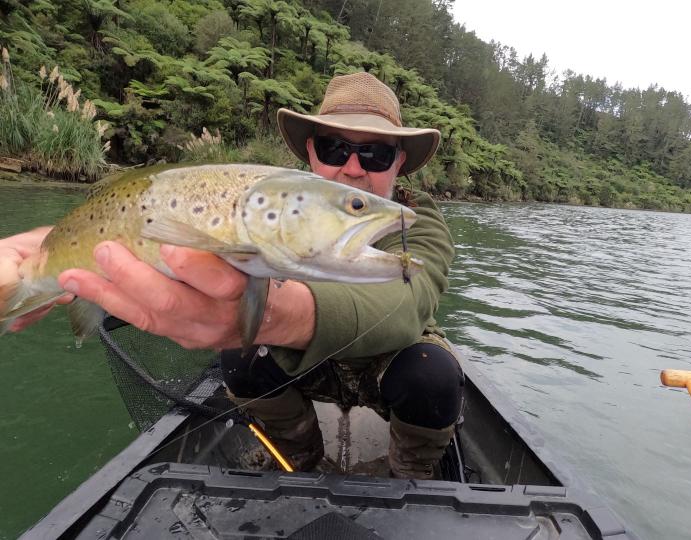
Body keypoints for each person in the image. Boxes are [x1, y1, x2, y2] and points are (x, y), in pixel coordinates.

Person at [0, 72, 463, 479]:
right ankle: (298, 454)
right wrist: (52, 252)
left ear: (400, 162)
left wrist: (280, 317)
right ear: (311, 152)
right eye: (334, 147)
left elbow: (407, 306)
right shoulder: (258, 202)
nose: (353, 167)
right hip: (303, 369)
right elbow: (143, 223)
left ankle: (413, 469)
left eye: (376, 154)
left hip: (386, 372)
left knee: (434, 373)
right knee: (238, 356)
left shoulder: (417, 222)